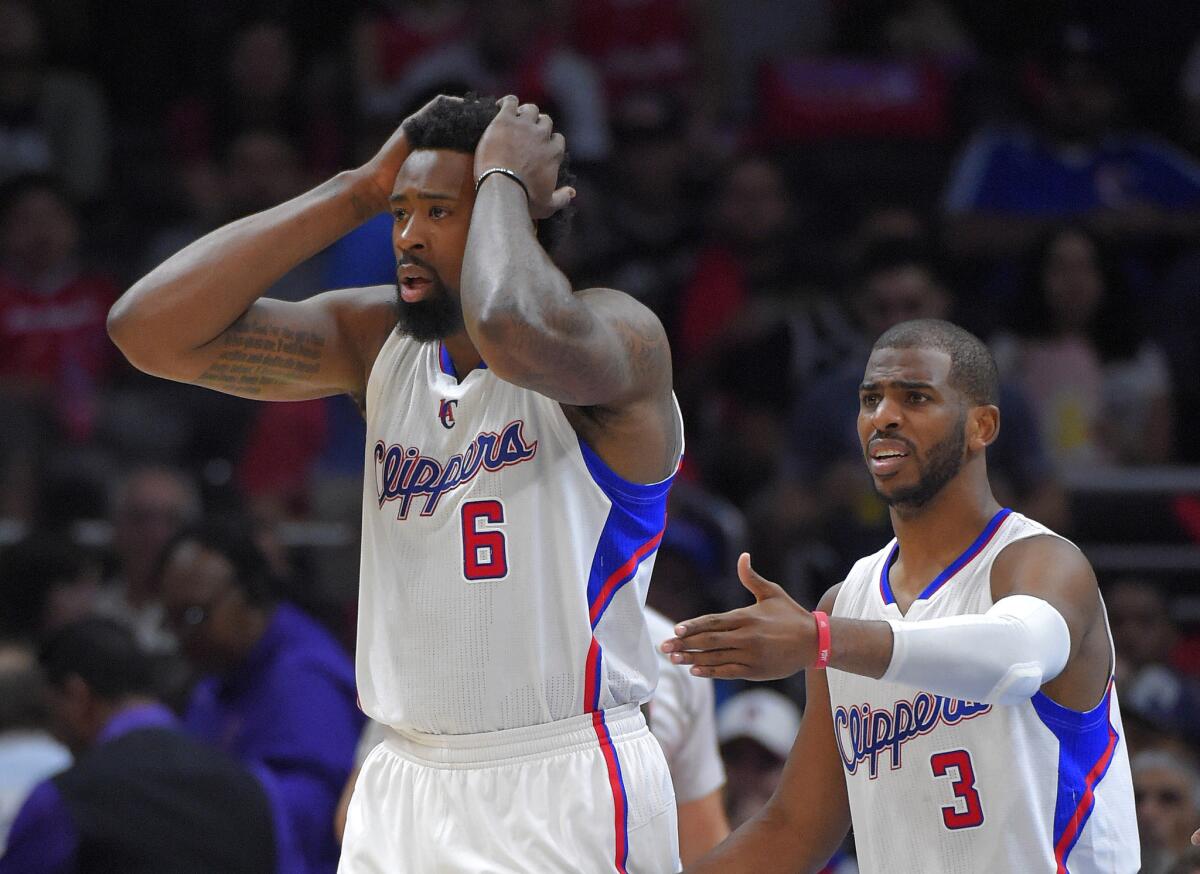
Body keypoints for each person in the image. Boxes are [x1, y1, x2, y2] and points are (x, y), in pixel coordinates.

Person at [108, 93, 683, 872]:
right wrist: (353, 191)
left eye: (440, 212)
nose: (407, 236)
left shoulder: (618, 340)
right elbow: (146, 331)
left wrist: (507, 179)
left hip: (558, 774)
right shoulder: (379, 344)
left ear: (522, 211)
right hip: (404, 777)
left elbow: (512, 325)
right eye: (401, 212)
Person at [662, 318, 1139, 872]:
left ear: (980, 426)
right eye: (870, 399)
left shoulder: (1040, 562)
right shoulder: (847, 604)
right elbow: (793, 829)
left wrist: (821, 640)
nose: (884, 417)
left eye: (916, 397)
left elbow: (1018, 658)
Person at [0, 618, 289, 874]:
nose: (55, 736)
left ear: (77, 696)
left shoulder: (64, 799)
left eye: (51, 715)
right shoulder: (256, 785)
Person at [159, 519, 361, 874]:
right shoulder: (217, 675)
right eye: (171, 619)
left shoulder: (306, 678)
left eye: (194, 615)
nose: (180, 636)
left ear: (250, 595)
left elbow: (312, 817)